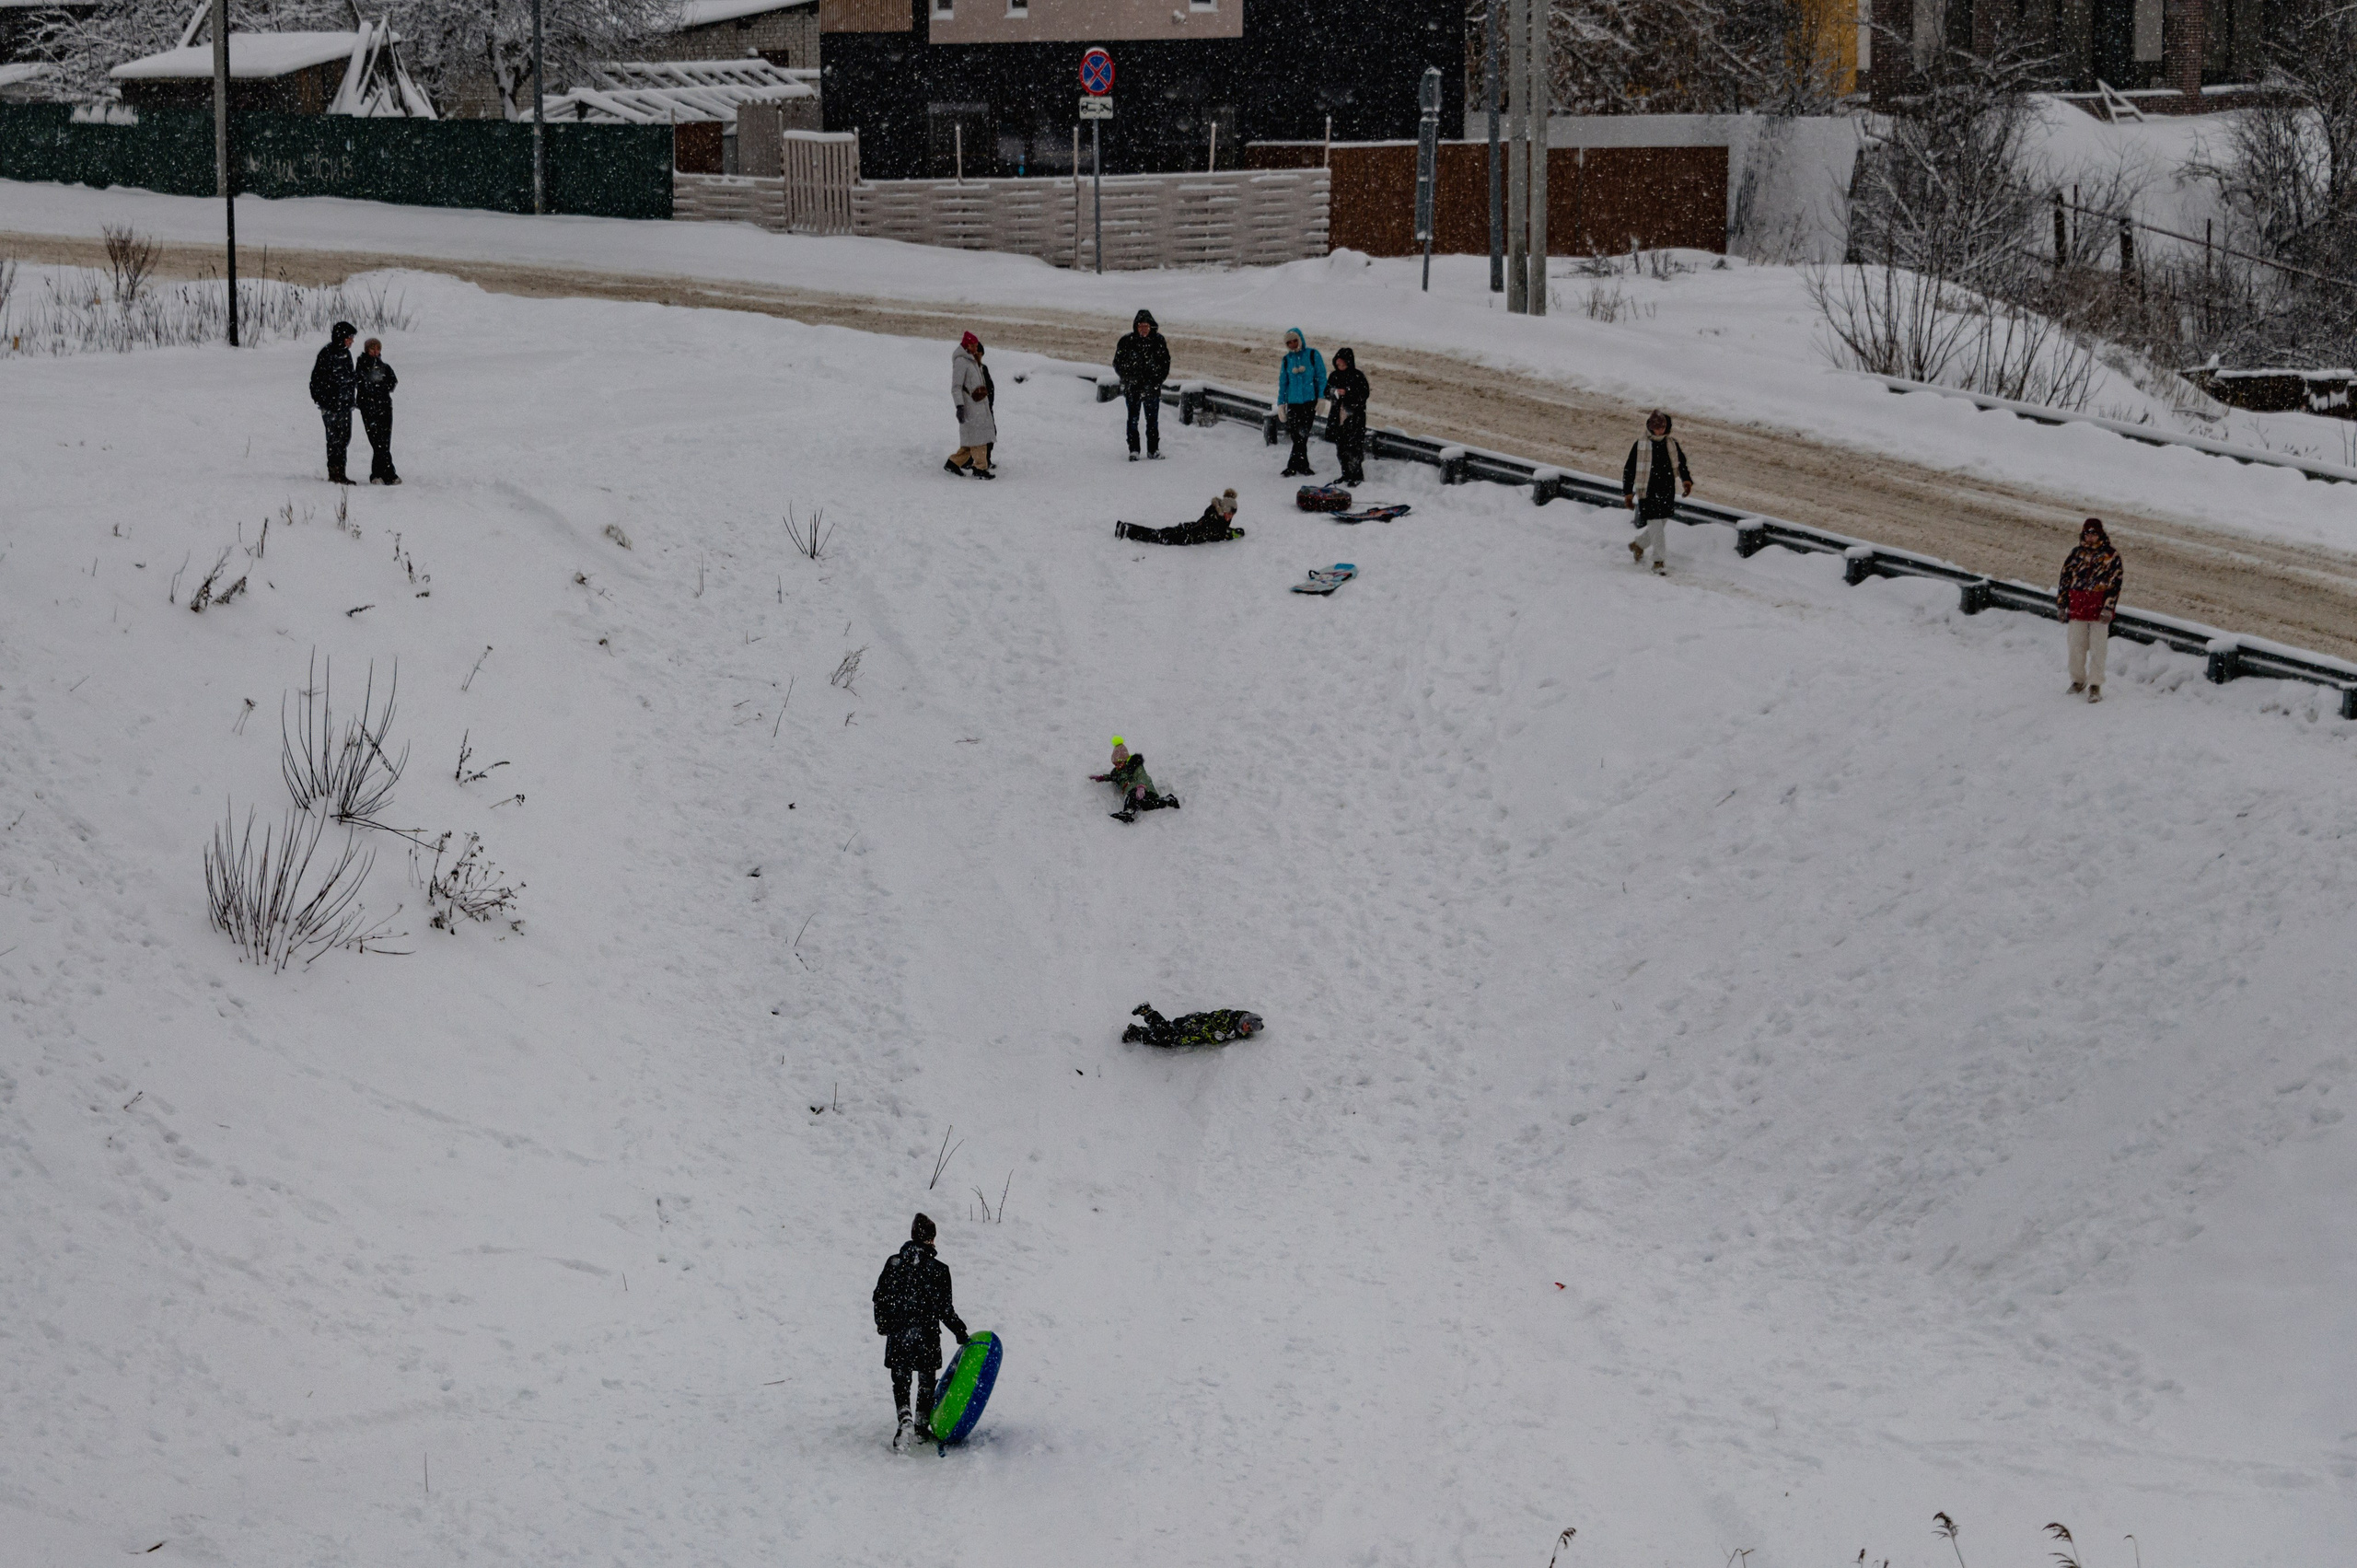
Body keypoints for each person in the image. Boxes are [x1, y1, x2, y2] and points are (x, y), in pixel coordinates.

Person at [871, 1213, 969, 1451]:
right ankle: (922, 1426)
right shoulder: (939, 1270)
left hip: (899, 1333)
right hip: (927, 1335)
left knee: (901, 1381)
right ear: (931, 1239)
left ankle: (905, 1419)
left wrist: (883, 1323)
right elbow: (945, 1309)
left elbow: (879, 1297)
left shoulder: (894, 1263)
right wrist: (960, 1331)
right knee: (926, 1382)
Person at [2056, 517, 2123, 703]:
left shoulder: (2111, 556)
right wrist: (2062, 604)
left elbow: (2115, 584)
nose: (2090, 536)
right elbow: (2065, 579)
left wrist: (2108, 607)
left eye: (2094, 533)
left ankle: (2095, 684)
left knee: (2098, 649)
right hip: (2077, 608)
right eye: (2087, 533)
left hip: (2099, 610)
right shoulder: (2076, 554)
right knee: (2075, 647)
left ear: (2100, 534)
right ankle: (2078, 680)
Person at [1620, 410, 1693, 575]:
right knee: (1655, 525)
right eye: (1657, 428)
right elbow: (1629, 469)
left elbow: (1681, 464)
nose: (1660, 431)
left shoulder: (1671, 444)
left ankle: (1638, 545)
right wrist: (1628, 493)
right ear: (1650, 427)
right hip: (1647, 491)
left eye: (1662, 428)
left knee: (1660, 523)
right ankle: (1658, 562)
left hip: (1667, 489)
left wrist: (1686, 481)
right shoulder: (1640, 445)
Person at [1112, 308, 1171, 461]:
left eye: (1146, 326)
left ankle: (1153, 450)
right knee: (1133, 421)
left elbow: (1165, 364)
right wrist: (1129, 379)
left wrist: (1157, 382)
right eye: (1141, 326)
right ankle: (1134, 450)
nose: (1143, 329)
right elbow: (1118, 363)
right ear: (1136, 327)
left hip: (1152, 389)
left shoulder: (1158, 341)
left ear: (1151, 326)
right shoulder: (1127, 342)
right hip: (1133, 389)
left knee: (1152, 422)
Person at [308, 320, 358, 485]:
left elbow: (350, 378)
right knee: (334, 438)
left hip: (345, 405)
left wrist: (350, 398)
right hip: (331, 405)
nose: (351, 341)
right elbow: (316, 380)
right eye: (349, 338)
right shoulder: (327, 354)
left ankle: (340, 472)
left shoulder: (346, 355)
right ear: (341, 337)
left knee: (344, 438)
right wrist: (324, 400)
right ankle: (335, 473)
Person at [1089, 736, 1182, 823]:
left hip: (1144, 790)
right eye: (1115, 764)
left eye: (1119, 763)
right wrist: (1102, 778)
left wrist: (1141, 787)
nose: (1117, 766)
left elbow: (1142, 776)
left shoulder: (1134, 766)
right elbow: (1111, 777)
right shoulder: (1117, 773)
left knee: (1131, 796)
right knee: (1146, 805)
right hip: (1135, 795)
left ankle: (1128, 812)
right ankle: (1168, 800)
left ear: (1125, 760)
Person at [1275, 328, 1327, 478]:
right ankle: (1301, 465)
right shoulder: (1287, 360)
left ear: (1300, 340)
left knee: (1303, 435)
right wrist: (1281, 403)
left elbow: (1321, 377)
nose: (1292, 344)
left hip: (1309, 402)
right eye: (1289, 342)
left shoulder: (1312, 354)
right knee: (1297, 435)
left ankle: (1294, 466)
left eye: (1295, 341)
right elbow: (1283, 383)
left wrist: (1321, 397)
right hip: (1293, 402)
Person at [1115, 488, 1243, 547]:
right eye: (1229, 514)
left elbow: (1219, 531)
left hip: (1189, 530)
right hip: (1186, 535)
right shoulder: (1213, 516)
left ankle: (1127, 529)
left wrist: (1231, 532)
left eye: (1232, 516)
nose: (1229, 518)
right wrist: (1229, 534)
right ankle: (1127, 530)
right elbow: (1214, 533)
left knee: (1159, 534)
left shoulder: (1220, 517)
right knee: (1158, 536)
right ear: (1223, 510)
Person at [946, 331, 997, 479]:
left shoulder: (971, 360)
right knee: (979, 438)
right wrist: (960, 406)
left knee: (972, 439)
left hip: (979, 405)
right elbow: (956, 387)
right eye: (973, 346)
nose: (976, 348)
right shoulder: (961, 362)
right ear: (966, 345)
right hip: (970, 406)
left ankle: (953, 463)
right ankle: (980, 468)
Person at [355, 337, 400, 486]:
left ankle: (383, 473)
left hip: (384, 406)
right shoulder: (362, 366)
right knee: (377, 441)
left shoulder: (384, 367)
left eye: (378, 349)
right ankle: (386, 473)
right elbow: (362, 384)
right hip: (369, 408)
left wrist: (382, 387)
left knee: (384, 441)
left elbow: (392, 382)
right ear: (367, 350)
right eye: (372, 349)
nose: (375, 352)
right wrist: (374, 389)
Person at [1325, 346, 1370, 486]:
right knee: (1341, 448)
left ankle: (1356, 475)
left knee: (1354, 448)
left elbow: (1364, 394)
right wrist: (1334, 392)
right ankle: (1345, 474)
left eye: (1343, 364)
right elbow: (1326, 392)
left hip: (1354, 418)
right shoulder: (1334, 375)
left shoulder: (1358, 376)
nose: (1340, 366)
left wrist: (1348, 393)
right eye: (1338, 364)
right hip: (1338, 417)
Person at [1123, 1005, 1264, 1048]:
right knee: (1165, 1035)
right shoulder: (1228, 1017)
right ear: (1245, 1019)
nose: (1247, 1027)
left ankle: (1136, 1032)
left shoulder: (1239, 1031)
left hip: (1194, 1036)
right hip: (1192, 1026)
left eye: (1250, 1028)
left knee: (1165, 1038)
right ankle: (1147, 1013)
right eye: (1248, 1024)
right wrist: (1207, 1032)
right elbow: (1210, 1024)